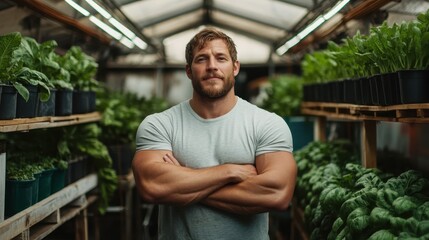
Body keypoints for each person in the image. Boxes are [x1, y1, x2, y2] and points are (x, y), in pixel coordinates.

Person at [132, 27, 297, 240]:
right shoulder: (160, 125)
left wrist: (181, 185)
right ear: (189, 71)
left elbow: (277, 194)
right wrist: (229, 172)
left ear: (235, 67)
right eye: (201, 59)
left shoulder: (267, 124)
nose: (212, 66)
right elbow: (152, 186)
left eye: (221, 58)